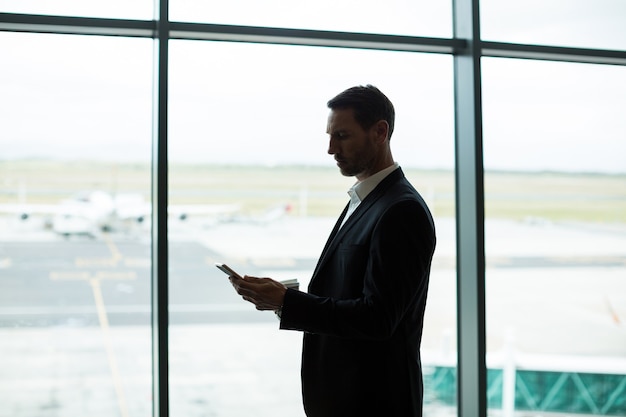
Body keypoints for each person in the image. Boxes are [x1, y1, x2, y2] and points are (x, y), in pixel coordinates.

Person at [229, 84, 436, 417]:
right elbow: (346, 295)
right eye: (329, 136)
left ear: (380, 132)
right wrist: (283, 298)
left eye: (342, 136)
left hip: (373, 402)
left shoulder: (401, 210)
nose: (330, 149)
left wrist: (287, 302)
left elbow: (378, 319)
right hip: (347, 399)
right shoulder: (367, 200)